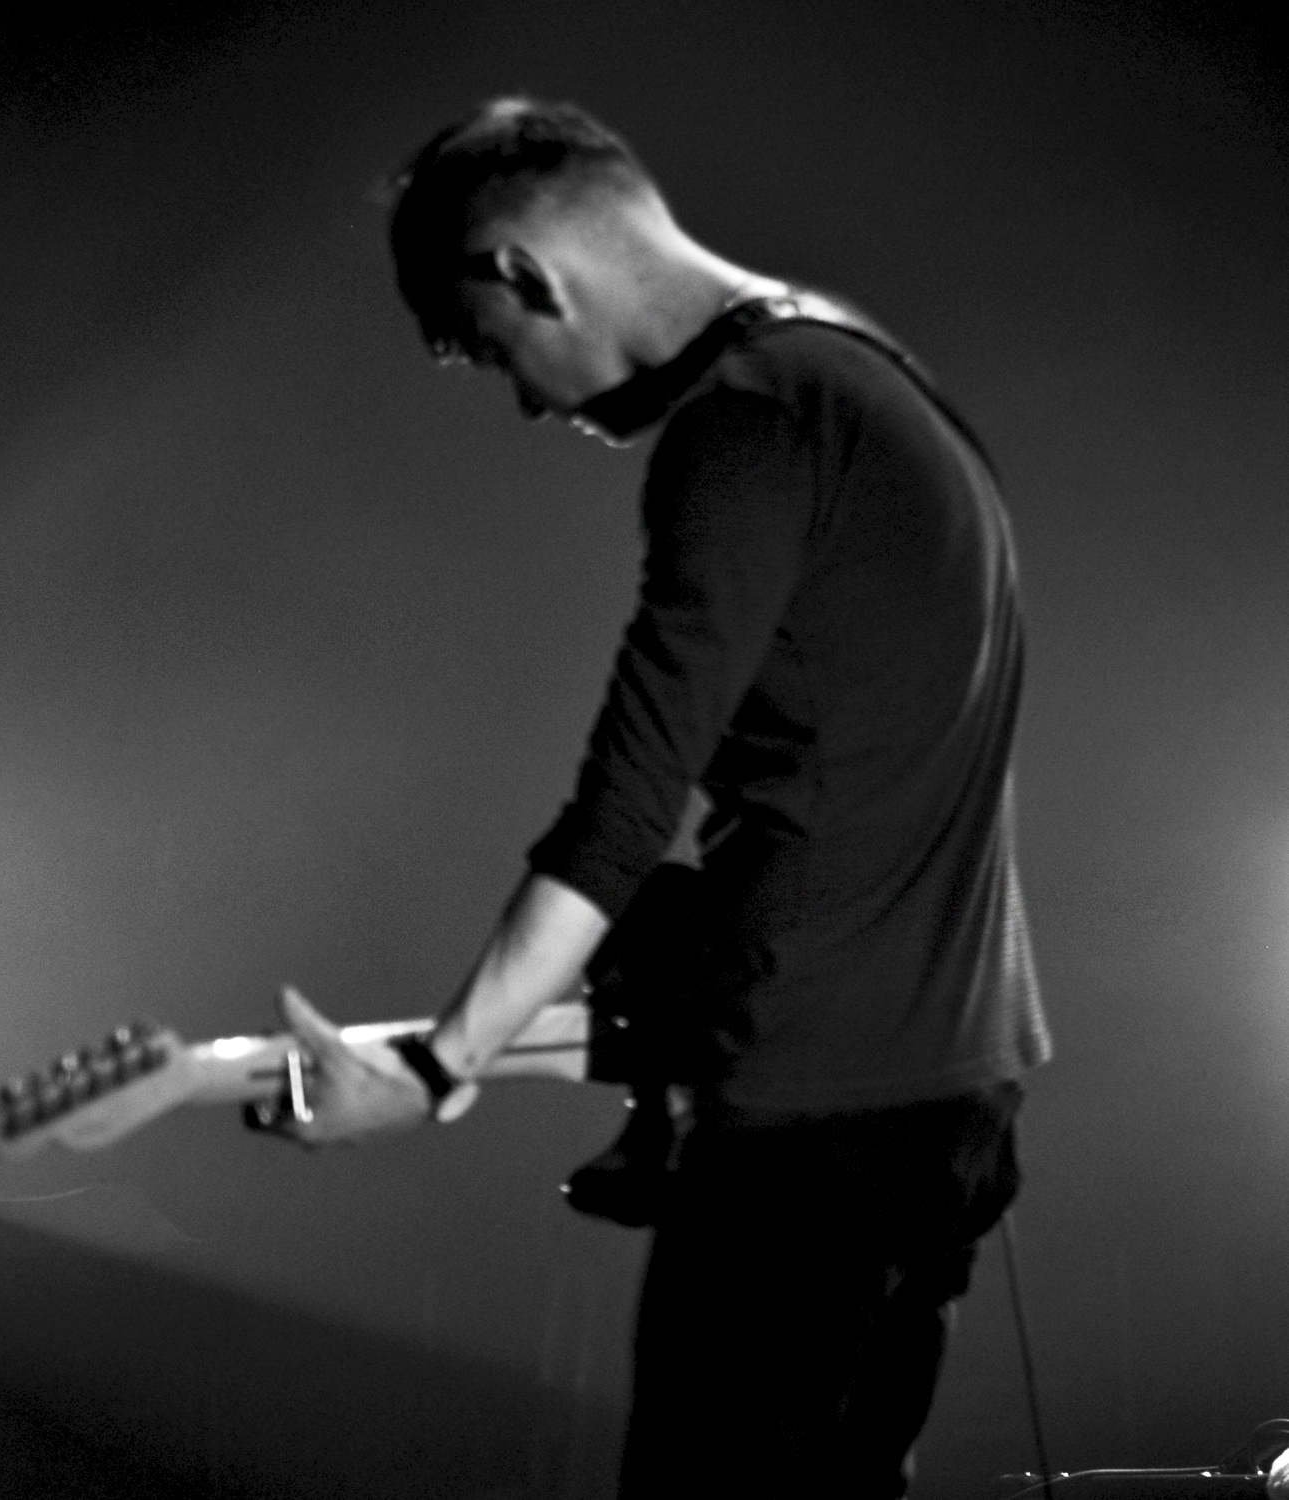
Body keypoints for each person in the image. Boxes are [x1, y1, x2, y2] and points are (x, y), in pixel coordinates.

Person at [262, 98, 1049, 1497]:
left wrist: (437, 1070)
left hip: (806, 1136)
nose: (526, 399)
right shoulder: (865, 374)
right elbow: (847, 829)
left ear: (523, 274)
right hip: (948, 1097)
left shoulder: (744, 423)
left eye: (488, 349)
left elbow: (621, 812)